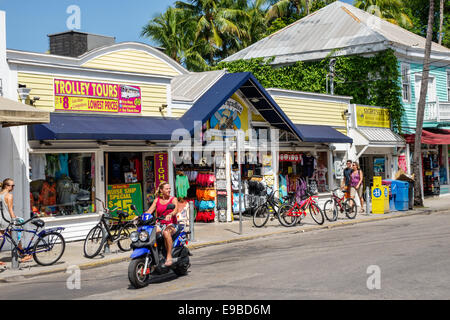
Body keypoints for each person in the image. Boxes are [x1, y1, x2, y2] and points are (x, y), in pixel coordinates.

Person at [144, 181, 178, 267]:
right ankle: (153, 254)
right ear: (161, 190)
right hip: (160, 224)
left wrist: (170, 214)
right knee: (149, 233)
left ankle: (169, 256)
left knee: (166, 233)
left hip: (171, 224)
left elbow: (175, 210)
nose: (169, 190)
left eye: (170, 188)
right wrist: (139, 216)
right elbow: (149, 211)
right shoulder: (157, 200)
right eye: (167, 189)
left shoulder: (173, 199)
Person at [0, 179, 33, 264]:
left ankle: (22, 254)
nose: (13, 187)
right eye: (12, 185)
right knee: (17, 237)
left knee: (2, 238)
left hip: (1, 219)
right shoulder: (9, 195)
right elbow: (10, 210)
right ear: (7, 186)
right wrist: (15, 220)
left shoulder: (0, 194)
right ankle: (23, 255)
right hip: (7, 220)